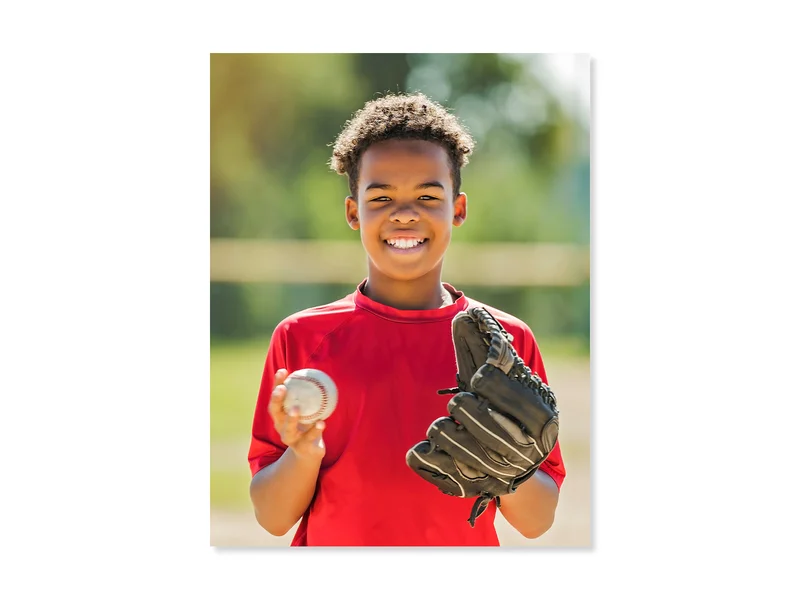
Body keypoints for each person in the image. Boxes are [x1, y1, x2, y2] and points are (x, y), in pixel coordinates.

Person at [247, 92, 566, 546]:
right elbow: (272, 517)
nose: (404, 212)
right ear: (353, 212)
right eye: (381, 196)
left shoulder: (503, 341)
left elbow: (537, 521)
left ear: (458, 209)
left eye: (427, 195)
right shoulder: (302, 338)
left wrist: (509, 471)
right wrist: (303, 452)